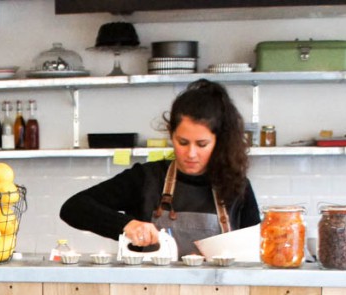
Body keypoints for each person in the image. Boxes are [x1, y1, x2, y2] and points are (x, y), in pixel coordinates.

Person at [60, 79, 259, 257]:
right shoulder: (146, 178)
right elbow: (73, 208)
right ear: (171, 134)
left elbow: (255, 253)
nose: (190, 153)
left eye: (201, 144)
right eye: (182, 142)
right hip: (151, 294)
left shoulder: (237, 186)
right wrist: (127, 225)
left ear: (219, 141)